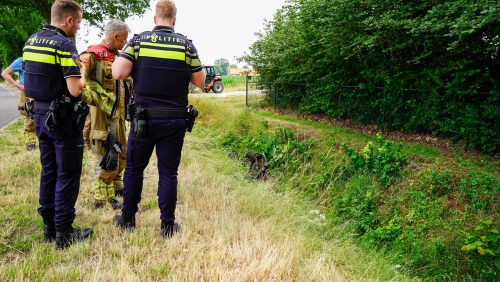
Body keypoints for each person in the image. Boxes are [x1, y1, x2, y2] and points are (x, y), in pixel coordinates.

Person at [112, 0, 205, 238]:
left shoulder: (139, 41)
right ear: (174, 20)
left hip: (144, 120)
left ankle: (128, 219)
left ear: (155, 19)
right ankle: (167, 226)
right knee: (168, 173)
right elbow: (200, 82)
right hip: (174, 121)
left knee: (133, 169)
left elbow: (118, 72)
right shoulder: (186, 45)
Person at [22, 0, 92, 249]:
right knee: (68, 174)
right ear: (69, 20)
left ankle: (49, 229)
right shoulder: (64, 45)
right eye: (79, 22)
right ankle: (64, 233)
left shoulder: (31, 41)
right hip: (62, 119)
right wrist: (82, 72)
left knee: (48, 170)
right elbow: (74, 90)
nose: (79, 28)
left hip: (40, 116)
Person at [79, 19, 131, 210]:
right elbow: (78, 77)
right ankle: (102, 197)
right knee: (107, 155)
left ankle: (117, 186)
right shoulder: (93, 54)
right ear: (115, 36)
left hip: (119, 117)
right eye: (124, 38)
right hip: (102, 117)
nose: (125, 42)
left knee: (122, 152)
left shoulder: (117, 56)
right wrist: (92, 97)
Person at [1, 57, 37, 151]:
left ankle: (44, 140)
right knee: (30, 116)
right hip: (26, 92)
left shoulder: (43, 58)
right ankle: (31, 142)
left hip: (42, 90)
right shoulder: (22, 60)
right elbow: (5, 73)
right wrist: (18, 85)